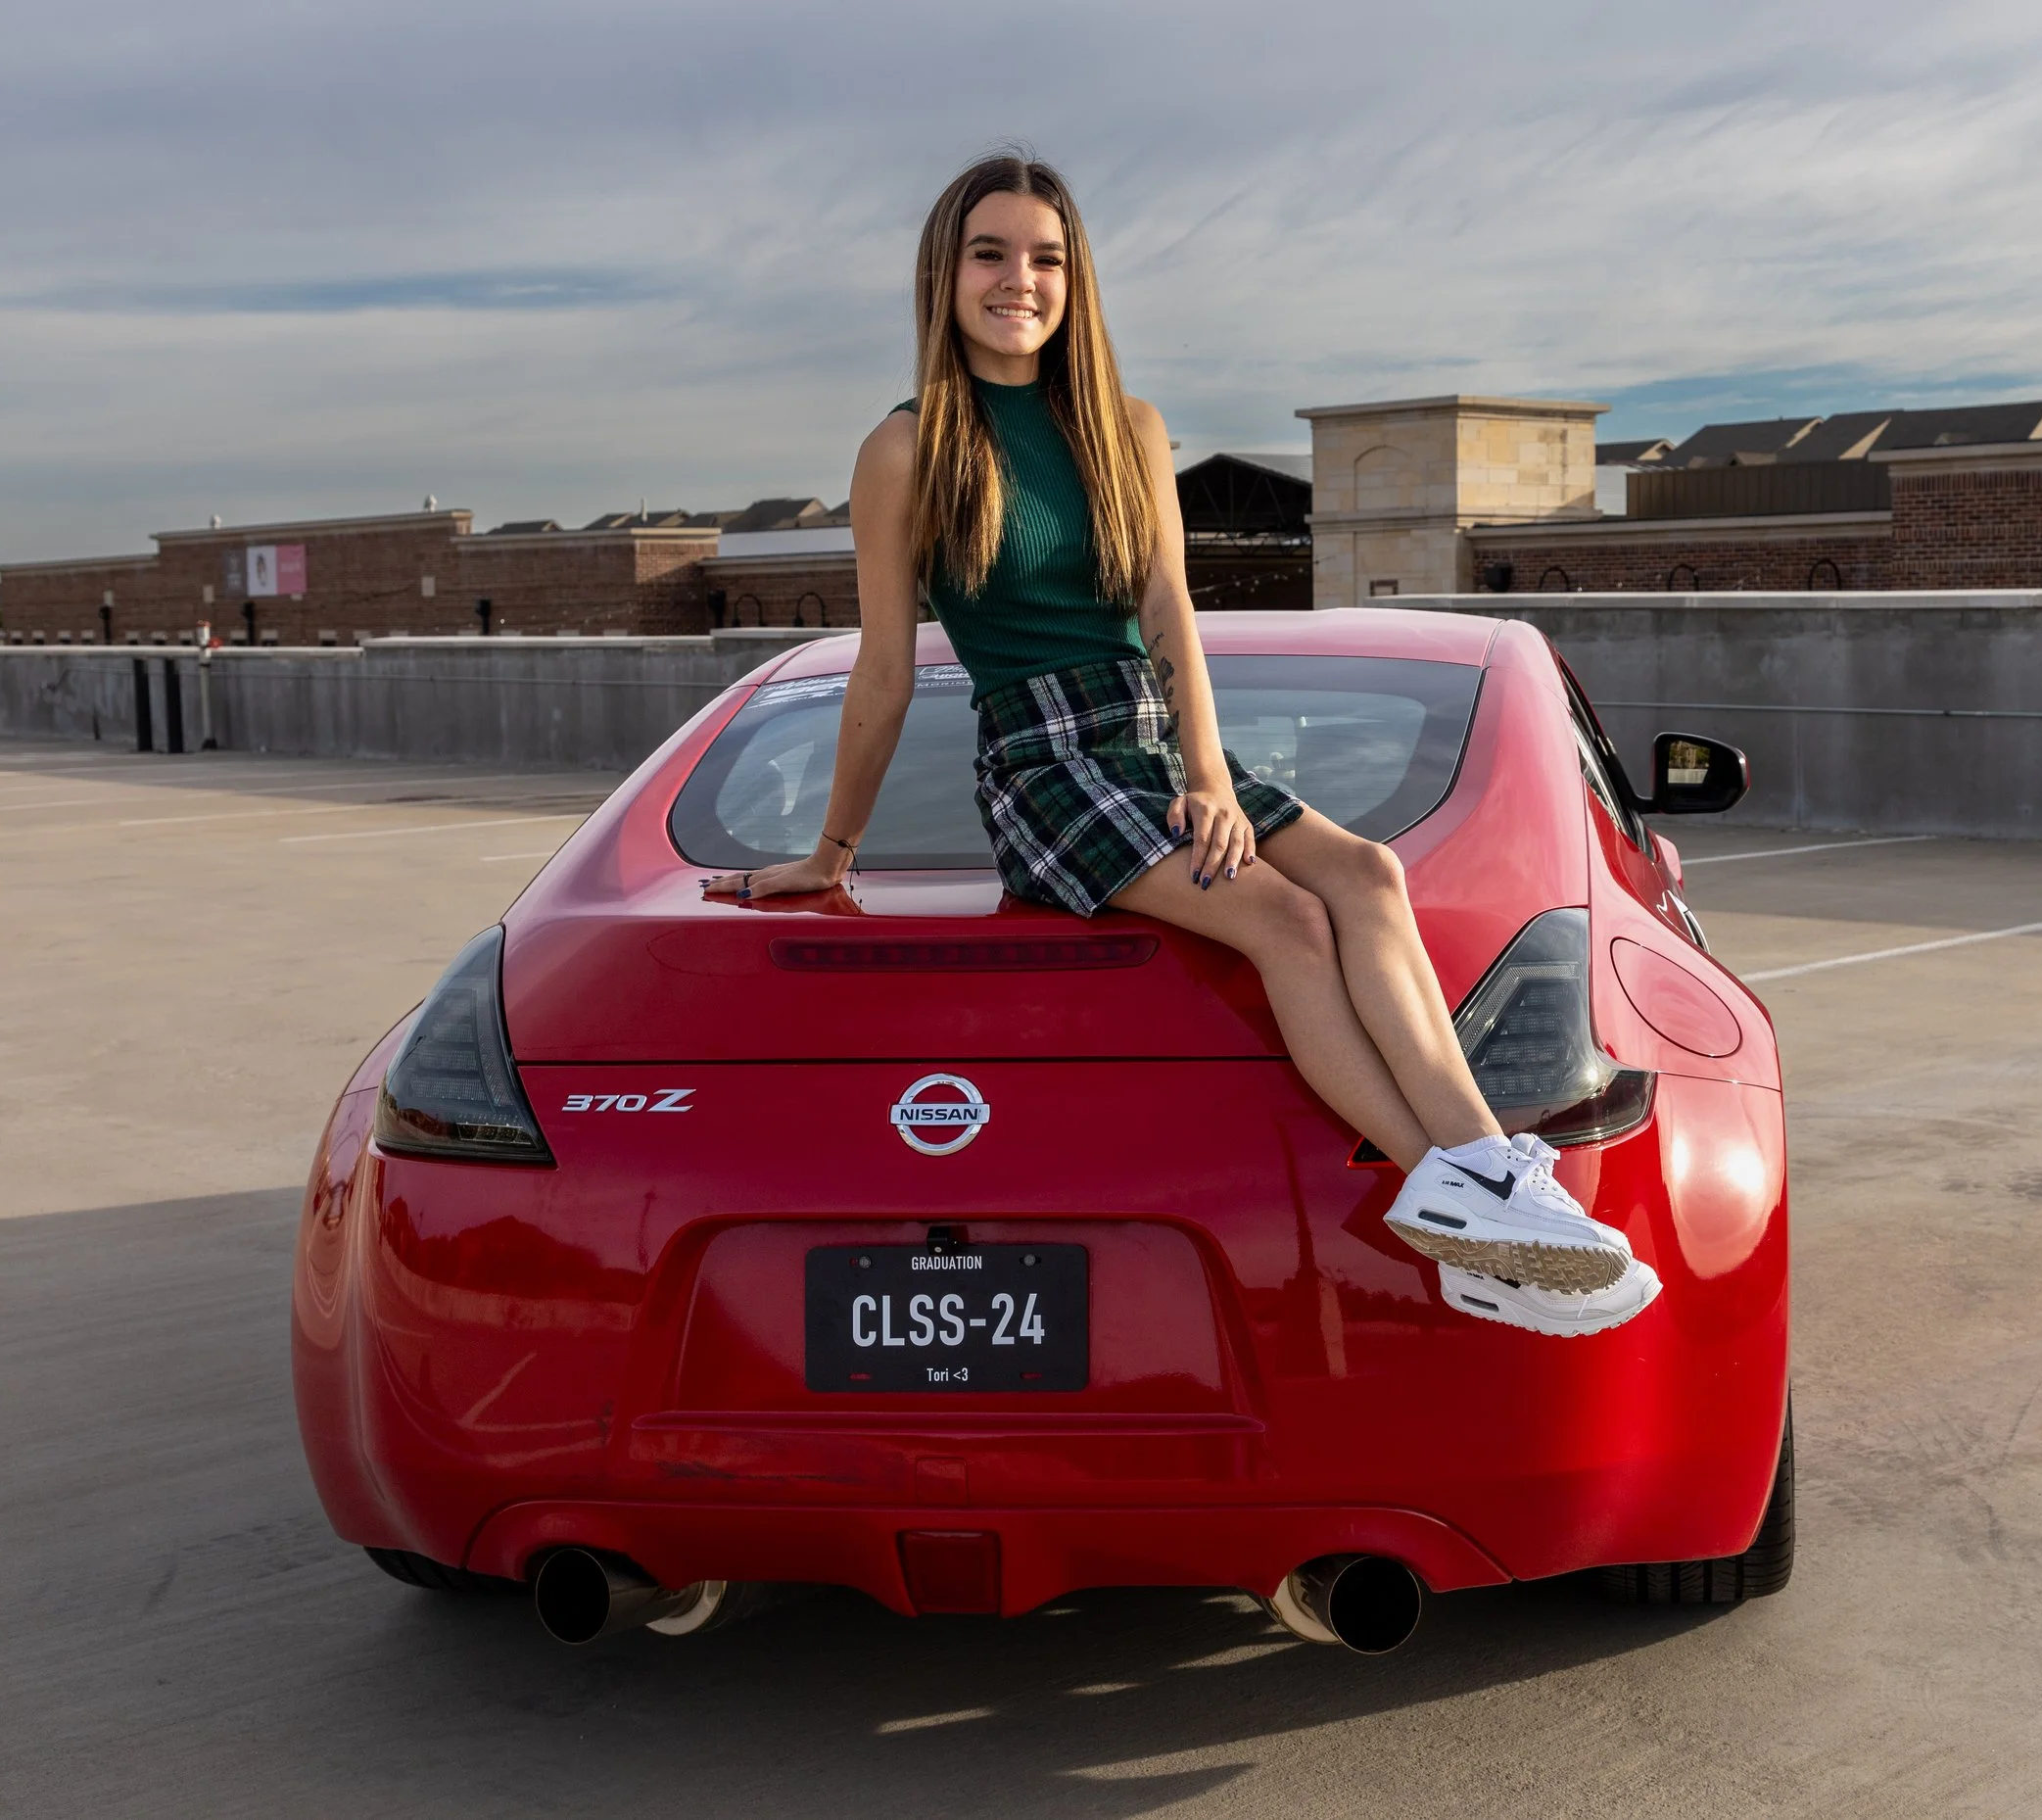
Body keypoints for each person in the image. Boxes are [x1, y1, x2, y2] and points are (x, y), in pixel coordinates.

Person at [708, 154, 1658, 1337]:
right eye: (990, 254)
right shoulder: (906, 450)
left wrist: (1207, 771)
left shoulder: (1127, 428)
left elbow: (1167, 612)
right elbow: (889, 670)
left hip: (1152, 739)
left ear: (1076, 279)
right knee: (1284, 919)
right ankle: (1451, 1194)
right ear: (945, 277)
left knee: (1369, 875)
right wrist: (831, 847)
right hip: (1044, 764)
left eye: (1045, 258)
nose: (1021, 281)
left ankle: (1489, 1179)